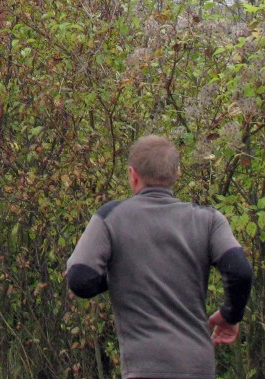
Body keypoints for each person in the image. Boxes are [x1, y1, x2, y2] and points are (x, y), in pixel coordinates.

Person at [65, 135, 254, 379]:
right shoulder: (208, 220)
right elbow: (240, 271)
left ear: (132, 175)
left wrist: (119, 273)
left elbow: (80, 279)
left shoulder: (111, 217)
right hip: (197, 367)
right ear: (177, 174)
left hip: (143, 366)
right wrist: (230, 315)